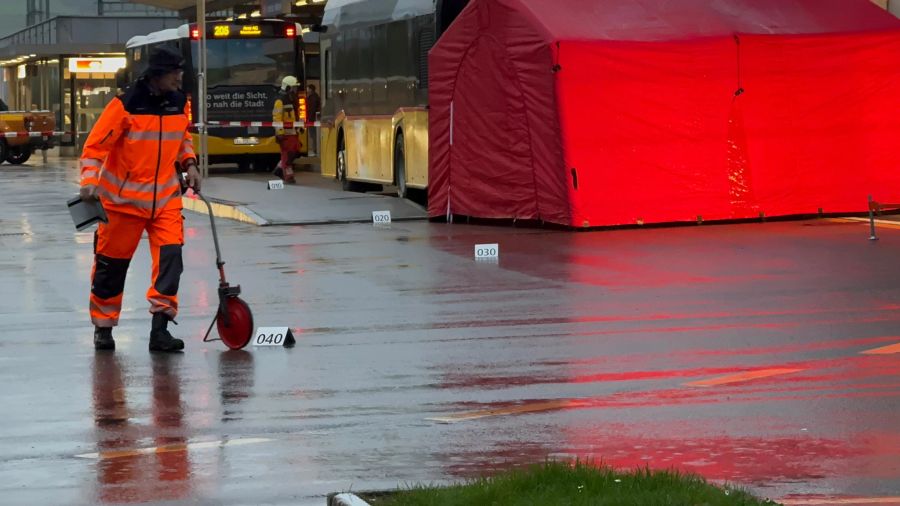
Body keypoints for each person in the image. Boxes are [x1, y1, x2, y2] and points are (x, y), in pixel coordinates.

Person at [79, 45, 200, 352]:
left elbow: (182, 138)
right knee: (111, 267)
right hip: (123, 203)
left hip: (165, 201)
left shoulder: (178, 102)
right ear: (158, 75)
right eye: (176, 72)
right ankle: (103, 329)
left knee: (171, 261)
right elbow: (95, 148)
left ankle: (160, 329)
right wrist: (90, 182)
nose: (180, 77)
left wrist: (190, 163)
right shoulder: (126, 105)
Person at [273, 75, 300, 183]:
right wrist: (279, 132)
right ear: (288, 87)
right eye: (294, 87)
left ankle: (279, 169)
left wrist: (299, 127)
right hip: (285, 134)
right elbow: (277, 117)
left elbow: (294, 115)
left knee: (295, 151)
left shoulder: (291, 99)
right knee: (287, 155)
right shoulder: (280, 100)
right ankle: (288, 176)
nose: (295, 89)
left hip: (292, 132)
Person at [306, 84, 320, 157]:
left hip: (312, 119)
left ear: (311, 89)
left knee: (313, 135)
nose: (307, 90)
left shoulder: (312, 98)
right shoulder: (315, 97)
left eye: (307, 88)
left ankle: (315, 150)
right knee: (313, 135)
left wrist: (309, 118)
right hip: (313, 118)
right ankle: (315, 149)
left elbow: (311, 109)